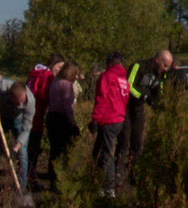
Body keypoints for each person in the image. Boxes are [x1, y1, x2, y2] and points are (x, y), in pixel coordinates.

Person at [115, 49, 173, 190]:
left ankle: (134, 173)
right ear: (157, 60)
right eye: (165, 65)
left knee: (138, 142)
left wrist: (160, 103)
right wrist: (144, 97)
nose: (165, 69)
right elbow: (129, 85)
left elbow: (159, 91)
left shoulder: (161, 74)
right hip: (126, 106)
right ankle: (117, 174)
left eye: (168, 67)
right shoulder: (139, 66)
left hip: (139, 109)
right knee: (124, 141)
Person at [90, 53, 130, 198]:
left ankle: (108, 188)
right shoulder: (123, 79)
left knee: (106, 153)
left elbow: (101, 98)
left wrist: (95, 119)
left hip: (109, 118)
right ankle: (103, 184)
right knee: (100, 151)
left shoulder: (107, 77)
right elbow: (125, 98)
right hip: (119, 118)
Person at [0, 79, 34, 191]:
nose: (20, 104)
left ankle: (21, 188)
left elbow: (27, 128)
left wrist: (17, 146)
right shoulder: (1, 85)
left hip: (18, 120)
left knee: (23, 153)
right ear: (10, 96)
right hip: (0, 117)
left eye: (21, 101)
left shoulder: (31, 102)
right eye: (17, 102)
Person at [26, 54, 65, 182]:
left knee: (28, 149)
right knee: (33, 150)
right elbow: (43, 96)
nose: (60, 70)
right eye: (59, 67)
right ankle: (29, 179)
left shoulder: (35, 72)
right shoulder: (47, 76)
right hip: (36, 117)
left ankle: (27, 176)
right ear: (53, 64)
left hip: (27, 115)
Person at [45, 61, 82, 192]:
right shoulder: (67, 85)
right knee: (64, 150)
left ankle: (53, 179)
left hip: (51, 117)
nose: (77, 76)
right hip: (62, 119)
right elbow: (67, 107)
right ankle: (62, 180)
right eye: (76, 73)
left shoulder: (55, 81)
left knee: (54, 150)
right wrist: (73, 123)